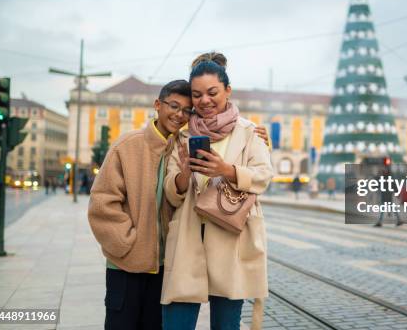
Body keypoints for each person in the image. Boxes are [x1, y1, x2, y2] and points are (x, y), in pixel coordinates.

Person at [161, 54, 273, 330]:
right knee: (176, 324)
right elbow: (171, 192)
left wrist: (226, 170)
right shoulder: (183, 136)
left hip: (231, 239)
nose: (204, 100)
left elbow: (263, 177)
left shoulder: (249, 133)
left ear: (227, 91)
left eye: (212, 92)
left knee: (226, 326)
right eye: (197, 95)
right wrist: (185, 173)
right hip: (189, 239)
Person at [88, 80, 192, 330]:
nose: (179, 115)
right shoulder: (127, 145)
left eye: (187, 110)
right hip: (125, 266)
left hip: (164, 267)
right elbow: (101, 202)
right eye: (174, 106)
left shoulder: (183, 149)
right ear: (158, 105)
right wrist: (126, 243)